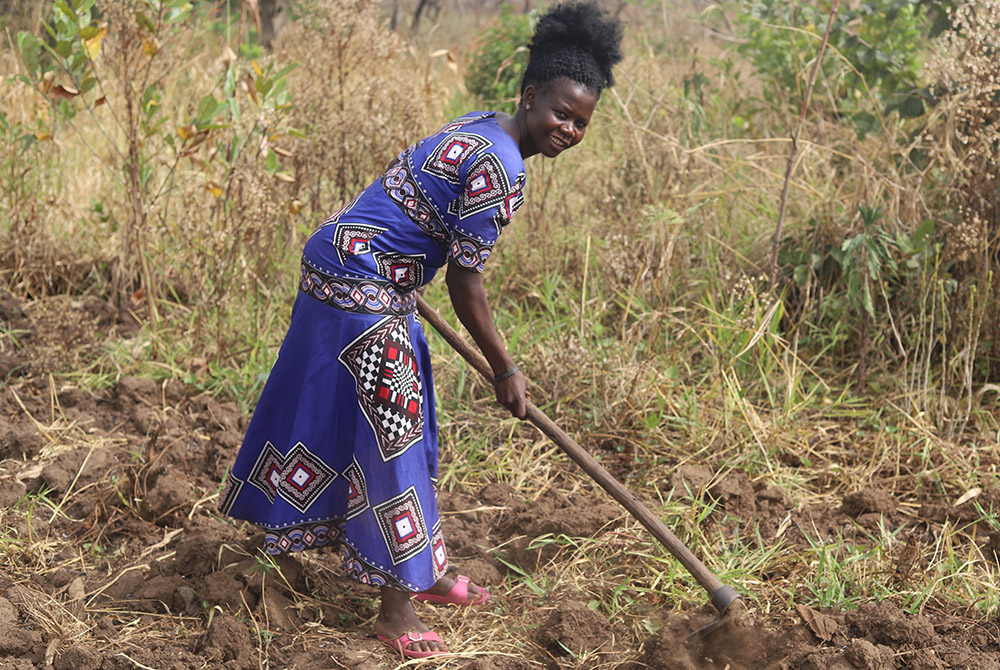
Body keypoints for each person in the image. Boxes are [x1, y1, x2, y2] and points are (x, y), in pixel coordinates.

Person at [218, 1, 623, 659]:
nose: (570, 129)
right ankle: (398, 607)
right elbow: (467, 286)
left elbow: (419, 211)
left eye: (582, 122)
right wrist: (505, 370)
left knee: (402, 416)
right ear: (529, 97)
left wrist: (407, 266)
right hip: (360, 286)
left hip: (348, 262)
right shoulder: (503, 168)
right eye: (560, 112)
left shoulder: (482, 127)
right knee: (395, 431)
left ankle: (423, 569)